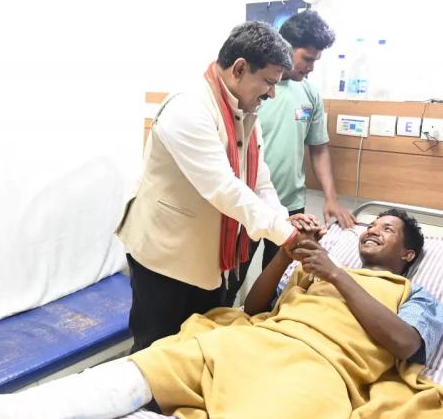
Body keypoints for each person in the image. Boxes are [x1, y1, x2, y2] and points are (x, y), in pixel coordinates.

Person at [0, 209, 443, 419]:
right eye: (371, 224)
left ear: (407, 254)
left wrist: (337, 274)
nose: (372, 230)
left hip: (316, 372)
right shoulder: (315, 271)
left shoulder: (415, 295)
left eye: (387, 230)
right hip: (253, 341)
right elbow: (254, 309)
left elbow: (405, 346)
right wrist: (284, 256)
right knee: (146, 365)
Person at [116, 20, 318, 352]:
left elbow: (260, 182)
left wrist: (284, 219)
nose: (271, 93)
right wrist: (287, 236)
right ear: (239, 68)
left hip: (209, 258)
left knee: (199, 348)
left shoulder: (245, 110)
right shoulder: (188, 108)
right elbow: (224, 188)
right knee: (155, 352)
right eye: (268, 82)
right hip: (165, 256)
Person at [227, 10, 356, 305]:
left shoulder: (309, 94)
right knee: (230, 283)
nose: (310, 67)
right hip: (246, 203)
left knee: (276, 286)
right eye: (307, 58)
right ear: (285, 46)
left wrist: (331, 198)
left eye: (316, 60)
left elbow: (318, 147)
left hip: (290, 207)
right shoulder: (253, 89)